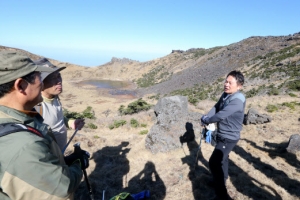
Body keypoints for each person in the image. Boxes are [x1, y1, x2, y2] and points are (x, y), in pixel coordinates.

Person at [0, 52, 89, 199]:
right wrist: (78, 166)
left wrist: (70, 123)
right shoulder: (25, 146)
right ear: (21, 85)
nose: (41, 83)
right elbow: (60, 189)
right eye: (39, 77)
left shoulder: (23, 113)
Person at [201, 70, 246, 200]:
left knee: (214, 162)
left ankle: (222, 195)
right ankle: (221, 180)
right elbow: (217, 107)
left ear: (239, 86)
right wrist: (207, 117)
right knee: (223, 159)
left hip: (229, 138)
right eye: (226, 81)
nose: (226, 84)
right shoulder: (225, 95)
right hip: (222, 134)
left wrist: (208, 120)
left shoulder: (237, 100)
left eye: (230, 82)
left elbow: (222, 114)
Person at [33, 58, 85, 152]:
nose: (59, 81)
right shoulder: (36, 107)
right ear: (40, 83)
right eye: (52, 78)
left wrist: (70, 123)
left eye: (59, 76)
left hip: (60, 152)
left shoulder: (55, 97)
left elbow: (56, 118)